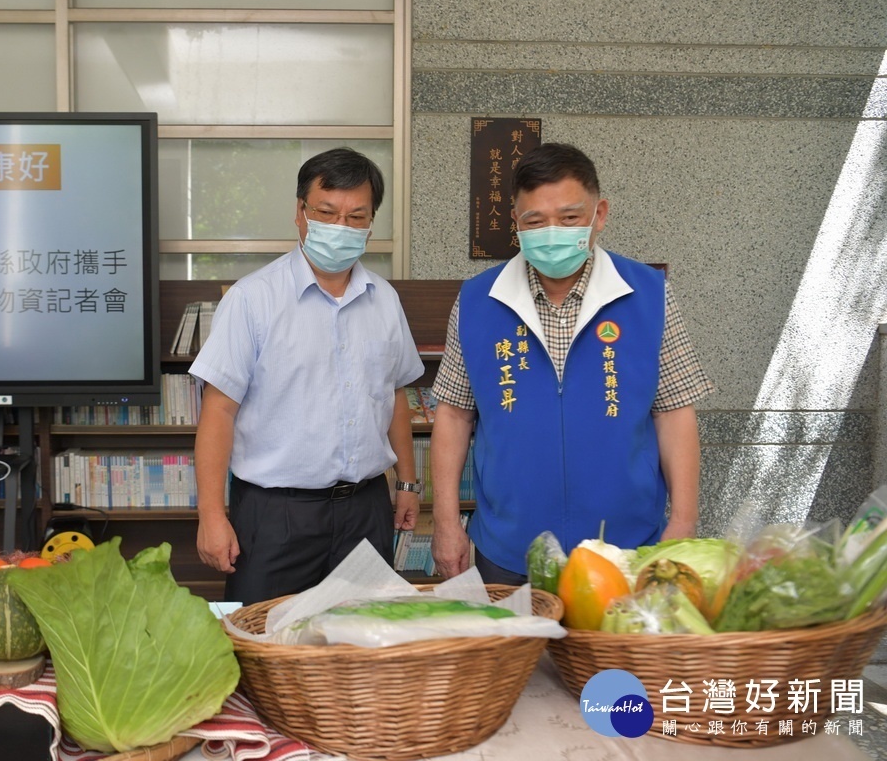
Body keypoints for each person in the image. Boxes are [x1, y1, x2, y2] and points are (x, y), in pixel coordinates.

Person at [429, 142, 714, 584]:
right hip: (508, 549)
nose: (552, 232)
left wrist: (683, 523)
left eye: (569, 218)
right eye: (535, 221)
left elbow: (675, 413)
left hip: (628, 548)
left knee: (613, 657)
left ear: (599, 215)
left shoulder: (649, 295)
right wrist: (447, 524)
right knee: (515, 656)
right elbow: (452, 414)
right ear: (516, 226)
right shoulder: (477, 301)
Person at [190, 147, 425, 605]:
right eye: (327, 212)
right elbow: (218, 411)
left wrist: (409, 484)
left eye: (357, 216)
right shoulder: (252, 299)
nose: (342, 227)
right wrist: (211, 515)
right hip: (276, 513)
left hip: (366, 508)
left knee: (359, 647)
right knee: (265, 647)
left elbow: (394, 393)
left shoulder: (385, 300)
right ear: (300, 212)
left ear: (371, 222)